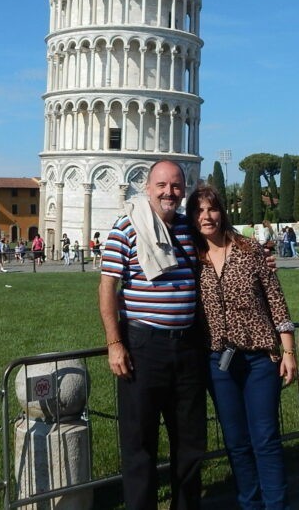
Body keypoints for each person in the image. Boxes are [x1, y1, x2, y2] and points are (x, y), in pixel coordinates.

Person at [99, 160, 205, 510]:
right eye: (161, 185)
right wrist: (115, 344)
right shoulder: (126, 227)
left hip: (187, 348)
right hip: (144, 348)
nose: (169, 192)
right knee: (139, 445)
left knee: (190, 444)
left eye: (175, 186)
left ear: (183, 189)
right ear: (147, 188)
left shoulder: (189, 230)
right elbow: (107, 287)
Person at [186, 185, 295, 510]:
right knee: (236, 443)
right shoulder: (192, 259)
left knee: (265, 439)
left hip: (260, 359)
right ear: (192, 217)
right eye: (199, 211)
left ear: (222, 212)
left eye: (212, 209)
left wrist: (288, 350)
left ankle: (277, 506)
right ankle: (250, 505)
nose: (207, 216)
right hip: (218, 361)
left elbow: (276, 302)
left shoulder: (250, 251)